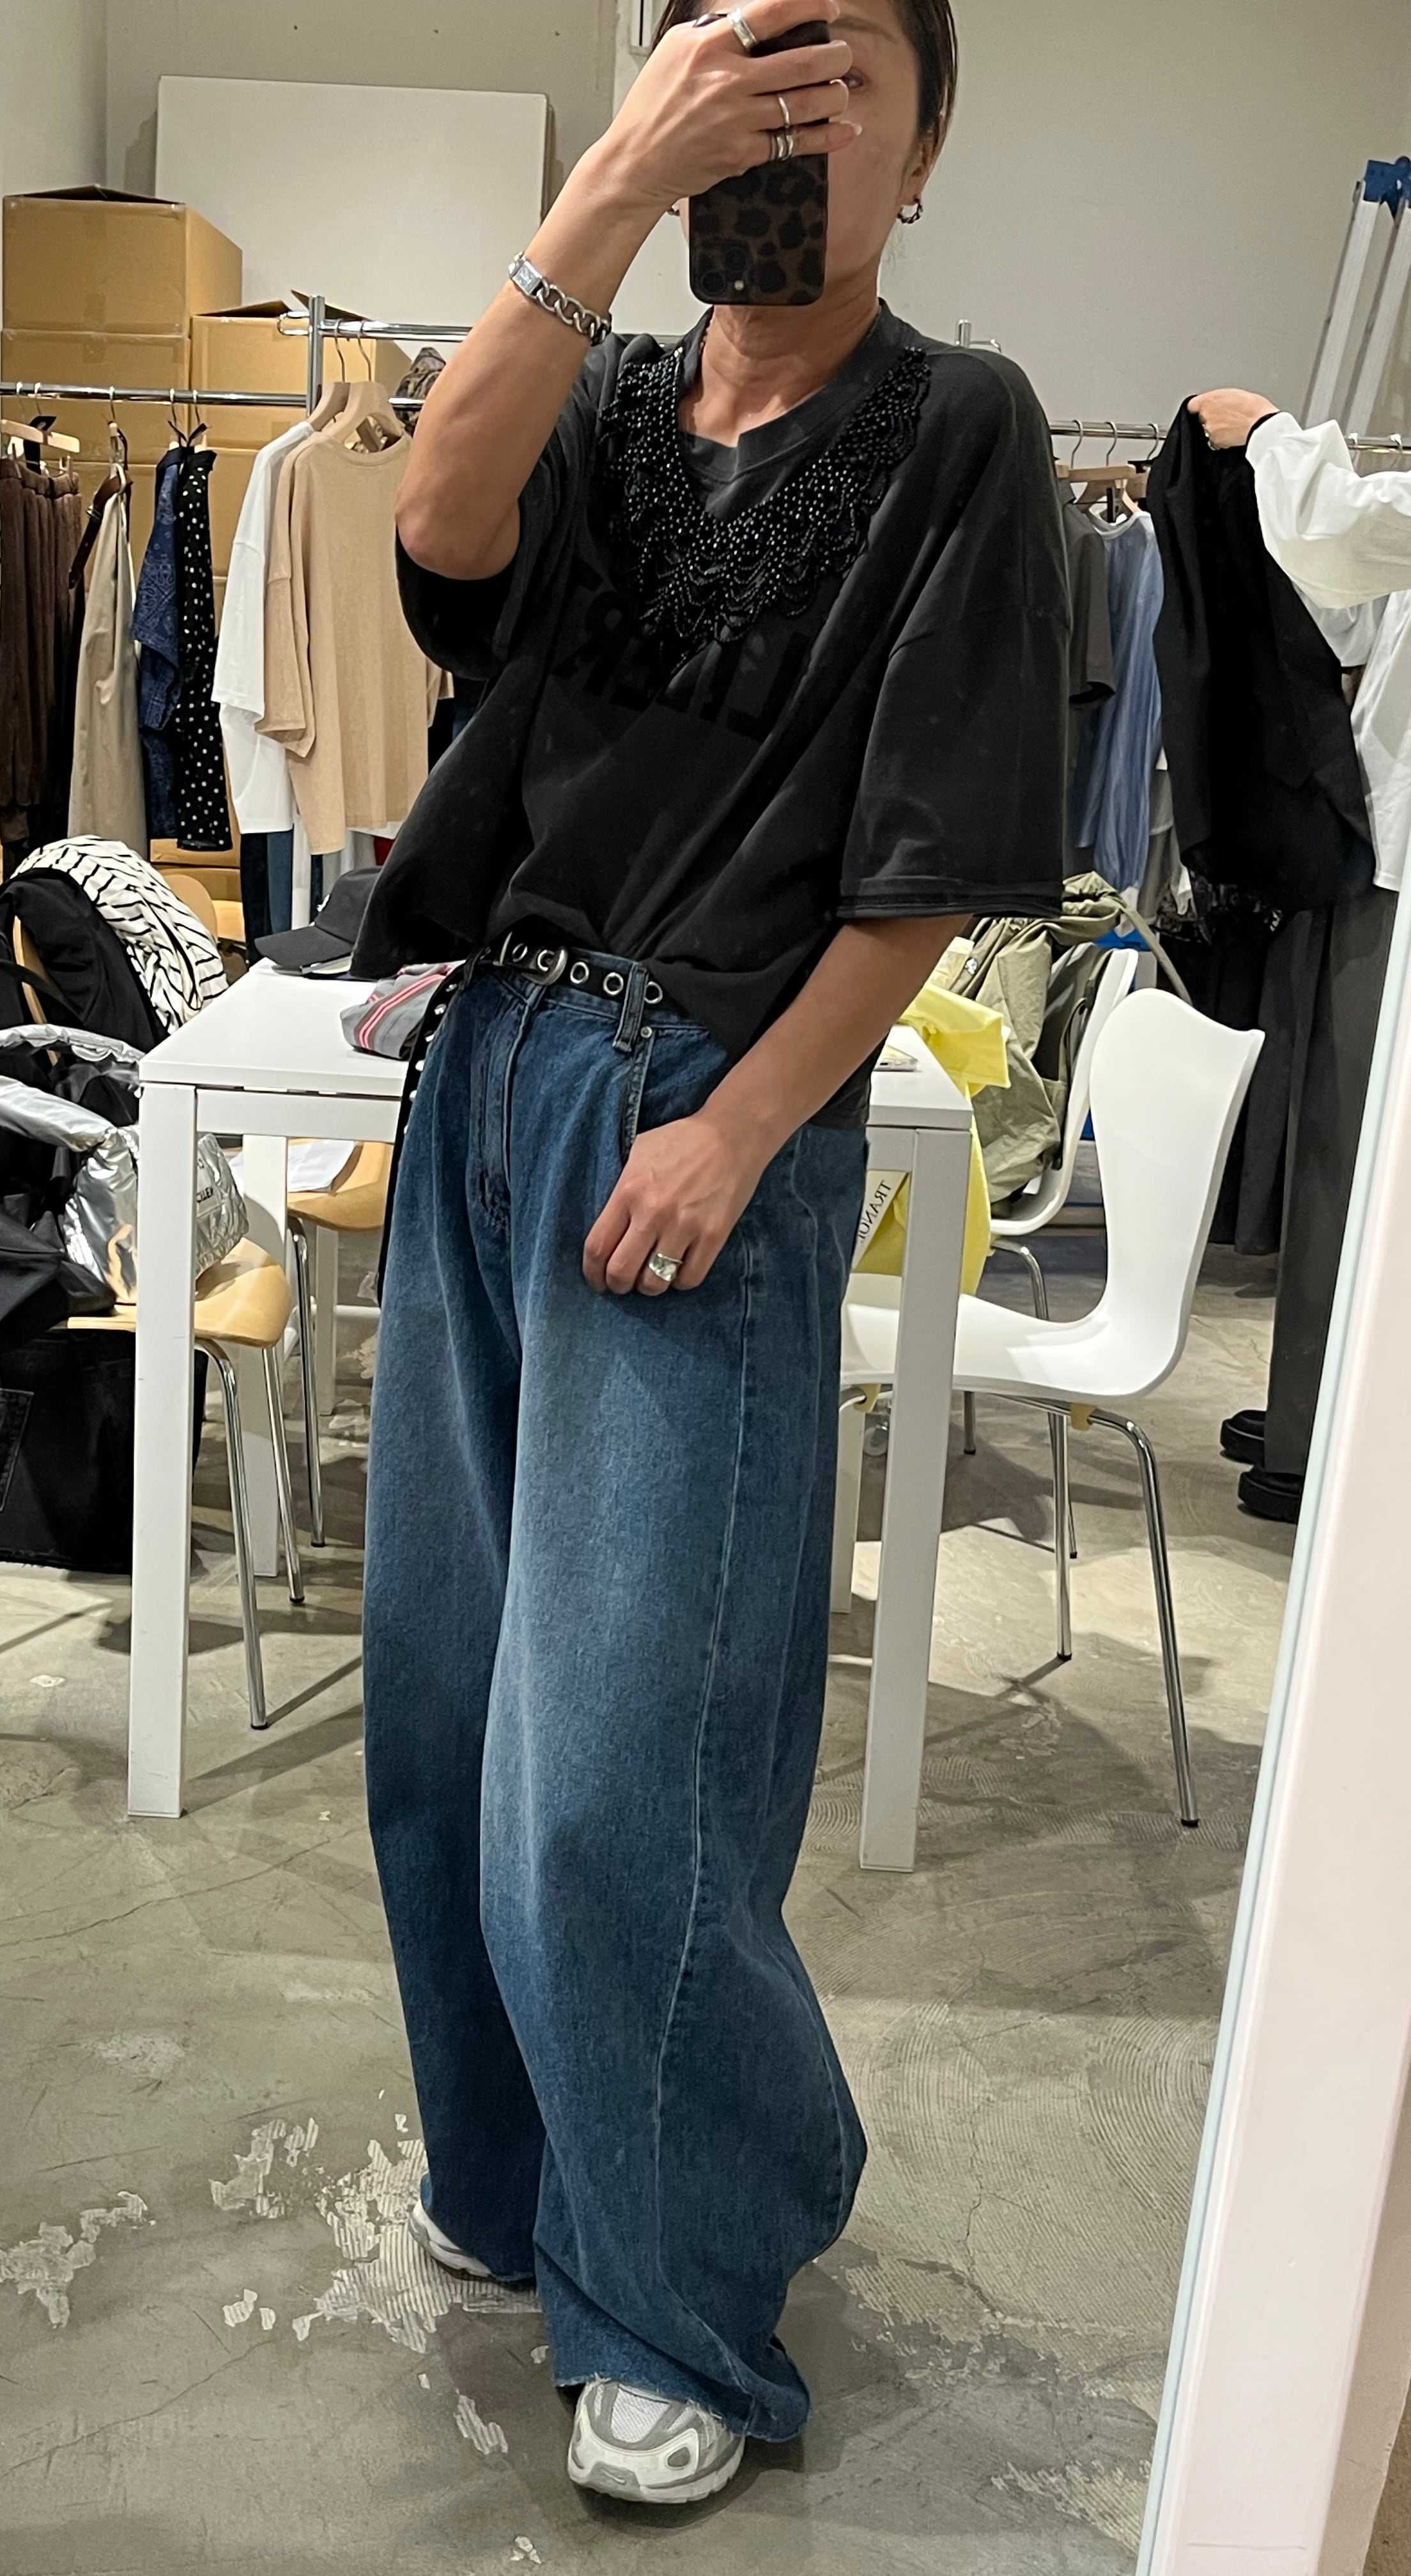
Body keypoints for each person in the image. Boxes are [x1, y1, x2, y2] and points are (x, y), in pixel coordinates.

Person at [353, 0, 1068, 2508]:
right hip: (490, 1071)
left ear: (925, 143)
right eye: (736, 65)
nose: (786, 116)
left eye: (838, 75)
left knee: (622, 1769)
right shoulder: (612, 409)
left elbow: (931, 857)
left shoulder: (962, 428)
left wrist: (746, 1128)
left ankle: (680, 2293)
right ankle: (517, 2177)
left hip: (697, 1102)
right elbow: (438, 528)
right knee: (445, 1710)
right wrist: (607, 193)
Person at [1191, 387, 1410, 1521]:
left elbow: (1344, 534)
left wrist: (1271, 435)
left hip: (1398, 882)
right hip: (1376, 861)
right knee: (1342, 1148)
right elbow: (1361, 613)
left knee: (1357, 1158)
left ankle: (1332, 1431)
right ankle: (1313, 1413)